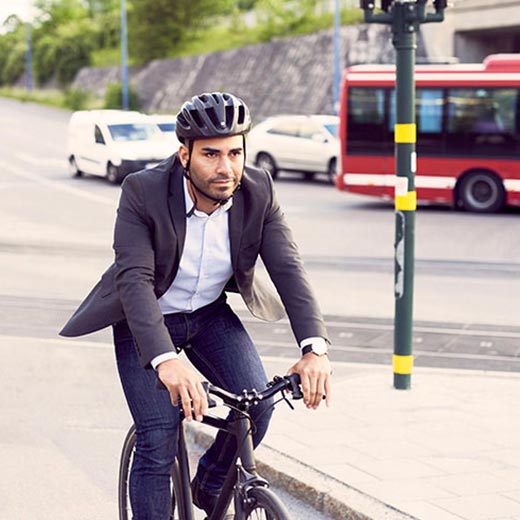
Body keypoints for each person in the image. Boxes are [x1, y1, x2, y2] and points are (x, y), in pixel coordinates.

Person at [60, 92, 331, 519]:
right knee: (159, 436)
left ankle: (207, 485)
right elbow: (135, 280)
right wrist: (165, 360)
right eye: (210, 154)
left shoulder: (258, 190)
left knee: (257, 405)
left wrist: (314, 349)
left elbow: (289, 269)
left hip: (208, 315)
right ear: (184, 154)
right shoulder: (143, 191)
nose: (226, 167)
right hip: (144, 320)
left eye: (234, 152)